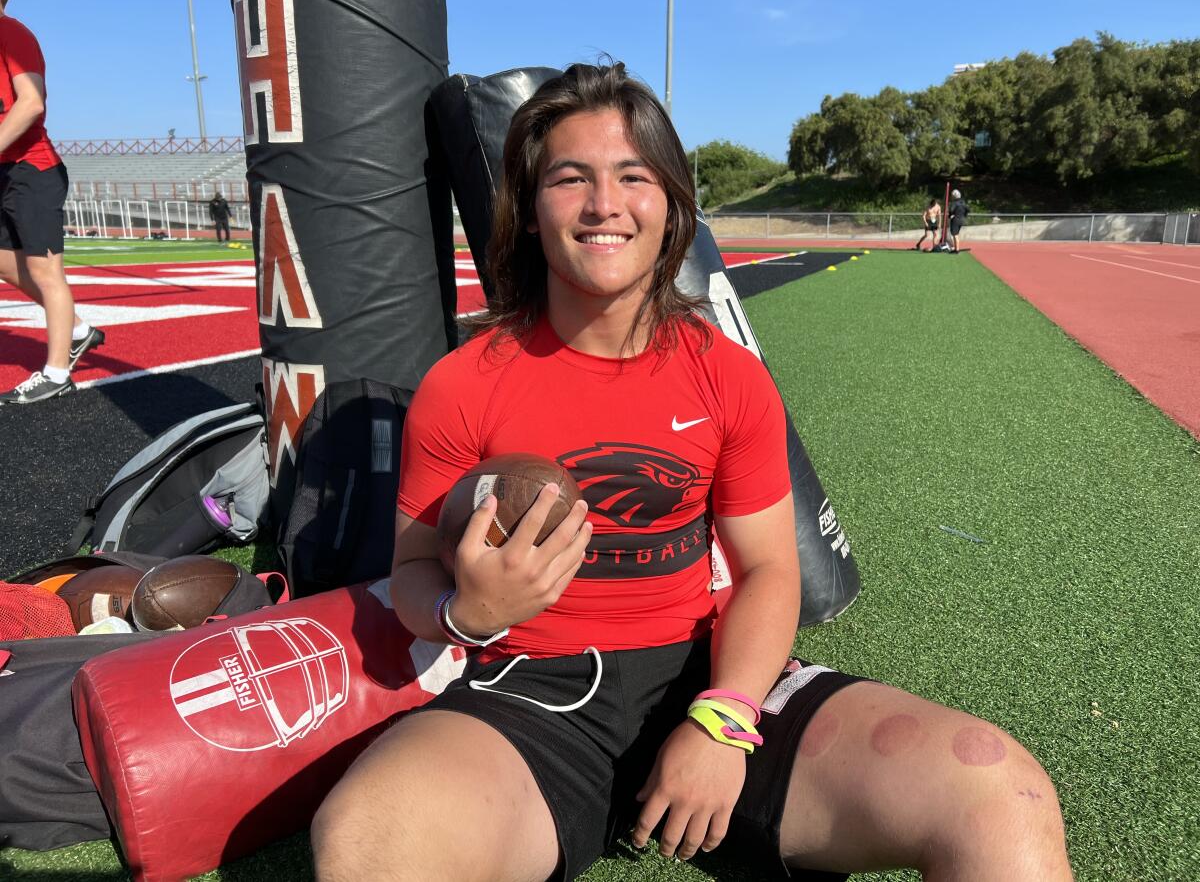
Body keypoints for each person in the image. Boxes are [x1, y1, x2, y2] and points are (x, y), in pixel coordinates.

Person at [311, 63, 1072, 882]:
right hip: (534, 698)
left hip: (703, 669)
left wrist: (725, 719)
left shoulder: (727, 375)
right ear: (531, 211)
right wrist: (470, 611)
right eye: (571, 178)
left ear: (671, 203)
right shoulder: (463, 385)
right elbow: (415, 576)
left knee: (996, 792)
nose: (605, 204)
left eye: (633, 177)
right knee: (366, 836)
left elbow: (772, 569)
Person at [0, 0, 102, 405]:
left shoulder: (10, 32)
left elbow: (31, 103)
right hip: (7, 172)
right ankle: (77, 330)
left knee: (47, 273)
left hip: (32, 170)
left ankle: (57, 373)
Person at [948, 188, 969, 253]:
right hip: (962, 219)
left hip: (956, 219)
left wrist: (951, 215)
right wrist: (964, 215)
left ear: (954, 196)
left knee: (955, 234)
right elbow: (968, 209)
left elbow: (951, 210)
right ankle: (956, 248)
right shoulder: (963, 202)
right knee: (956, 234)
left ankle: (956, 250)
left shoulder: (954, 203)